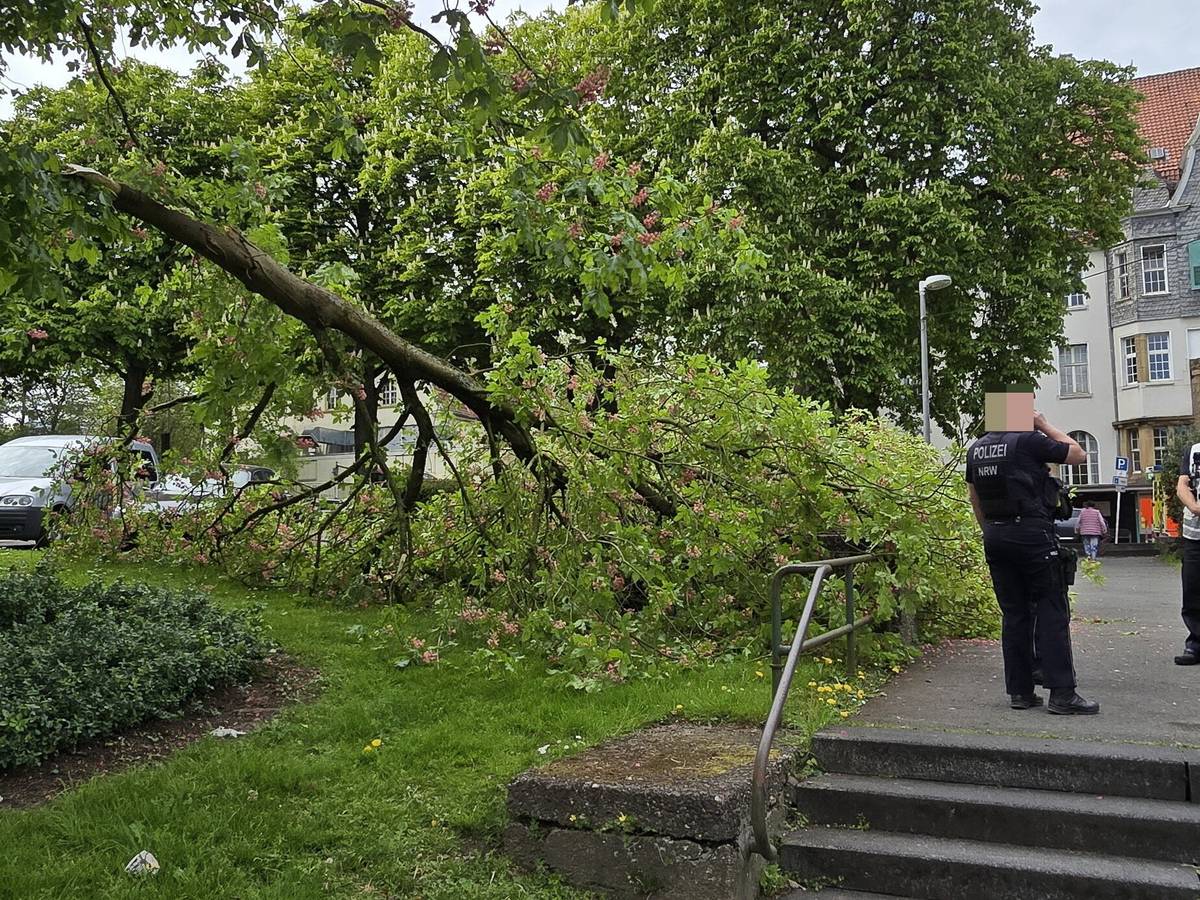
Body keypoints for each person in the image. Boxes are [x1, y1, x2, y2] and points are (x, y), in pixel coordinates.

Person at [965, 403, 1099, 714]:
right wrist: (1043, 424)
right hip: (1031, 533)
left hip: (995, 534)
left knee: (1014, 614)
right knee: (1052, 609)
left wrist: (990, 530)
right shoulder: (1027, 440)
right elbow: (1078, 454)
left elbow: (974, 495)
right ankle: (1062, 693)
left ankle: (1020, 692)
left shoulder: (977, 449)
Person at [1173, 442, 1200, 665]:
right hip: (1195, 535)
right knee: (1192, 590)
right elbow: (1182, 485)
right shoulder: (1194, 451)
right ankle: (1196, 645)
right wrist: (1194, 506)